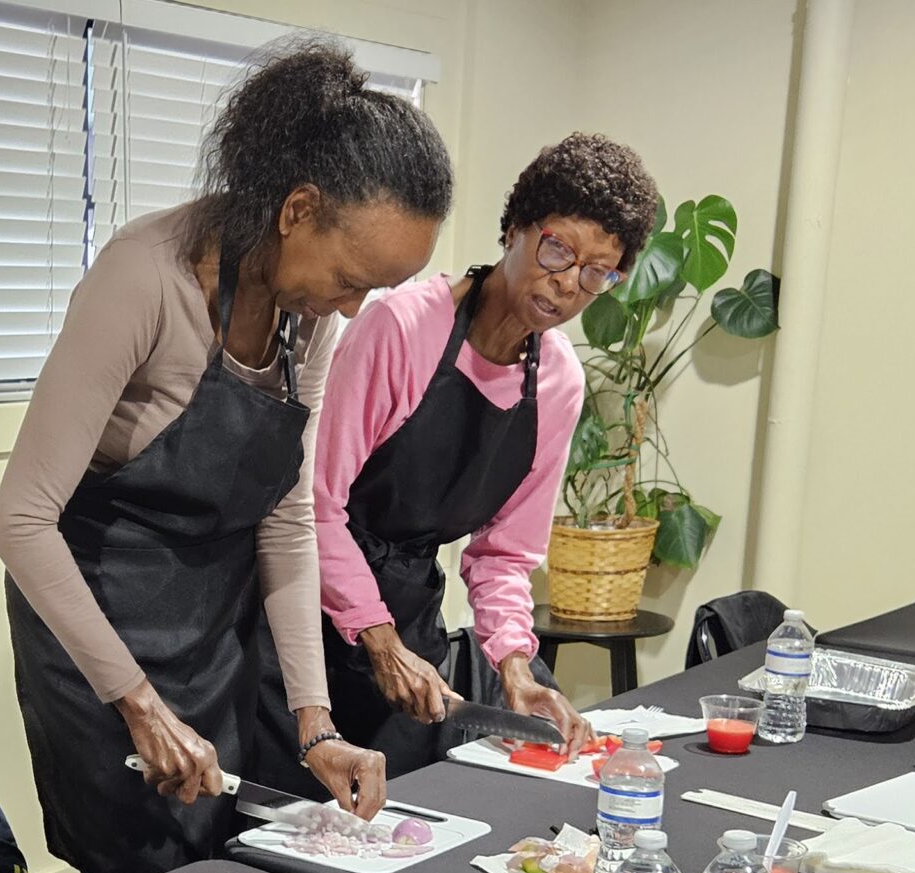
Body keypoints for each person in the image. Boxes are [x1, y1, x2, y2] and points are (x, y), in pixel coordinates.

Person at [0, 40, 449, 873]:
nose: (353, 309)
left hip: (213, 630)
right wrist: (137, 701)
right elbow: (18, 519)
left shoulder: (307, 316)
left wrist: (315, 723)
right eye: (351, 279)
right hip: (101, 631)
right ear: (298, 209)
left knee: (221, 868)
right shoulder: (145, 277)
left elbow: (286, 514)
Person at [255, 133, 660, 782]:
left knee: (404, 817)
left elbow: (503, 553)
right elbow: (315, 505)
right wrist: (377, 637)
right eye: (558, 249)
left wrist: (514, 668)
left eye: (597, 272)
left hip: (409, 626)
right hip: (301, 618)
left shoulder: (557, 382)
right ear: (516, 228)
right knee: (292, 822)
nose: (567, 283)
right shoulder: (402, 329)